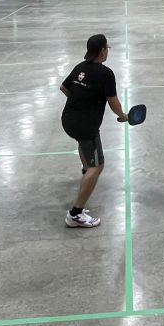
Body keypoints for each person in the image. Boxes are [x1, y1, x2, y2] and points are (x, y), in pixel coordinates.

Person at [60, 34, 128, 228]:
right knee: (97, 166)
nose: (108, 51)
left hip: (68, 121)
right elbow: (113, 101)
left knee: (83, 144)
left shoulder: (79, 67)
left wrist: (81, 99)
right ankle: (75, 214)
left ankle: (85, 173)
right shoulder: (106, 73)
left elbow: (64, 88)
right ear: (102, 51)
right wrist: (122, 115)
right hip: (86, 125)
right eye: (107, 48)